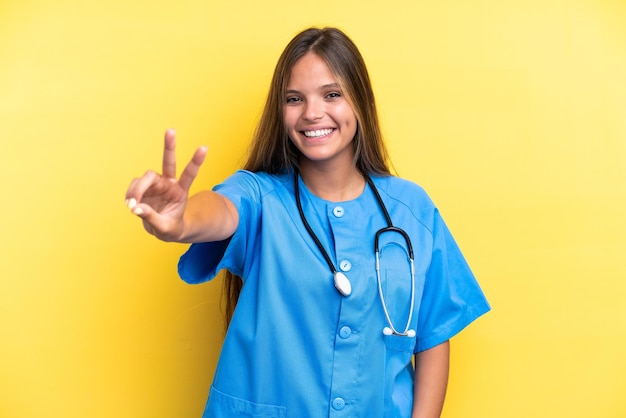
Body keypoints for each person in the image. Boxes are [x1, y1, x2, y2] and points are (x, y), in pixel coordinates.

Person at [125, 27, 490, 418]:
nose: (312, 113)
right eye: (294, 99)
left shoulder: (411, 209)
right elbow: (218, 212)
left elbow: (432, 335)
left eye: (332, 94)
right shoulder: (259, 197)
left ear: (359, 103)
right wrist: (179, 222)